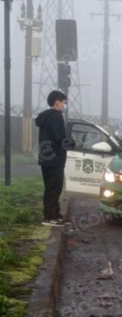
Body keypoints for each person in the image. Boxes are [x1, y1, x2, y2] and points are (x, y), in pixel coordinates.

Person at [36, 90, 69, 228]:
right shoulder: (56, 116)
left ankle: (55, 215)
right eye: (63, 102)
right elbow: (60, 138)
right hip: (55, 159)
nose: (64, 105)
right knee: (54, 188)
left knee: (52, 188)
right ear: (57, 102)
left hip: (46, 158)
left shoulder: (46, 117)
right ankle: (49, 217)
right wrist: (71, 143)